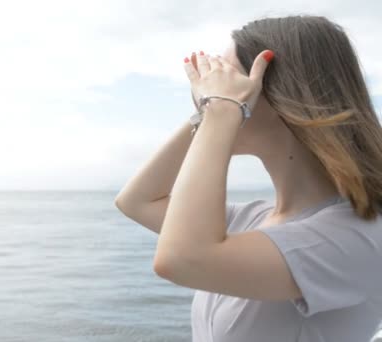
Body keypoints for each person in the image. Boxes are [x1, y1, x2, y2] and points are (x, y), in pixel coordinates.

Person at [114, 15, 382, 342]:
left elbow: (181, 259)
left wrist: (222, 110)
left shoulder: (359, 235)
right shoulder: (253, 218)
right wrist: (208, 112)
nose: (212, 92)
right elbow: (137, 201)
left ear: (282, 92)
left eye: (228, 79)